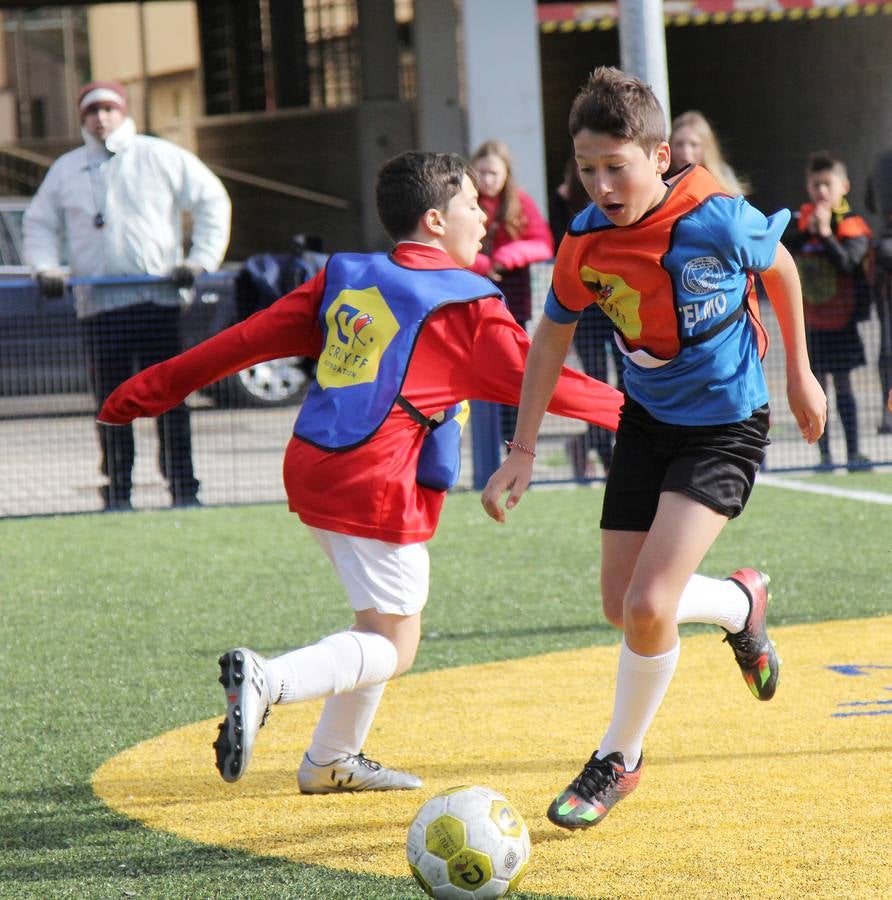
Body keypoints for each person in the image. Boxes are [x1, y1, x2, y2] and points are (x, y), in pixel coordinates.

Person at [98, 151, 623, 793]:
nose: (483, 218)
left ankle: (330, 760)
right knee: (395, 644)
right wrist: (660, 416)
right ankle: (270, 682)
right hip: (375, 482)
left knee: (373, 623)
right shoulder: (466, 307)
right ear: (435, 219)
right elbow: (555, 383)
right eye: (469, 207)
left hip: (311, 464)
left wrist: (145, 391)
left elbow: (240, 342)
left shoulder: (345, 276)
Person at [482, 67, 826, 831]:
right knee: (624, 608)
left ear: (660, 155)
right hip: (645, 424)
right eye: (585, 168)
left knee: (647, 603)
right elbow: (549, 342)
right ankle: (742, 604)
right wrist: (523, 448)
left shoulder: (715, 217)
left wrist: (799, 374)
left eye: (616, 166)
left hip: (727, 426)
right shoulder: (583, 243)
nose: (601, 184)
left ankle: (618, 760)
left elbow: (782, 270)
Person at [23, 80, 231, 511]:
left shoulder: (160, 156)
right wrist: (44, 267)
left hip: (158, 303)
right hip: (99, 308)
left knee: (171, 401)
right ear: (82, 119)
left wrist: (200, 261)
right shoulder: (67, 169)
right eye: (91, 111)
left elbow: (212, 200)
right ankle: (118, 492)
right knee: (111, 406)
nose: (101, 119)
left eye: (108, 109)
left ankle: (183, 490)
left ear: (124, 112)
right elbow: (39, 223)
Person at [785, 151, 873, 471]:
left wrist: (824, 234)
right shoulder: (801, 221)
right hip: (812, 323)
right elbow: (781, 251)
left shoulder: (852, 225)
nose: (821, 191)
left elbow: (850, 263)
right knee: (815, 388)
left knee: (844, 387)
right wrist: (809, 230)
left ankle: (853, 452)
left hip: (843, 322)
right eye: (815, 184)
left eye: (827, 184)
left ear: (843, 186)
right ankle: (823, 455)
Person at [470, 140, 555, 439]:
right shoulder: (466, 202)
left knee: (512, 372)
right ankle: (486, 446)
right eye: (482, 172)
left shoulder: (520, 202)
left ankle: (512, 440)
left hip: (513, 301)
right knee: (481, 373)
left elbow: (542, 243)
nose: (488, 179)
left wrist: (506, 258)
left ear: (506, 174)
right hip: (474, 298)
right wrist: (481, 263)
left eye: (494, 172)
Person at [550, 154, 623, 478]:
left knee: (627, 381)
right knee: (595, 380)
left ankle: (591, 446)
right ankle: (605, 454)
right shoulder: (565, 199)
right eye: (588, 169)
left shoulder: (620, 200)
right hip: (585, 307)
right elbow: (558, 247)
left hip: (620, 301)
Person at [866, 148, 892, 433]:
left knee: (887, 341)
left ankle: (888, 413)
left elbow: (870, 201)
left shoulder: (883, 159)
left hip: (886, 251)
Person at [668, 109, 750, 196]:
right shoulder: (662, 181)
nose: (686, 151)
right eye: (679, 144)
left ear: (706, 148)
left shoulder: (723, 176)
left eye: (694, 144)